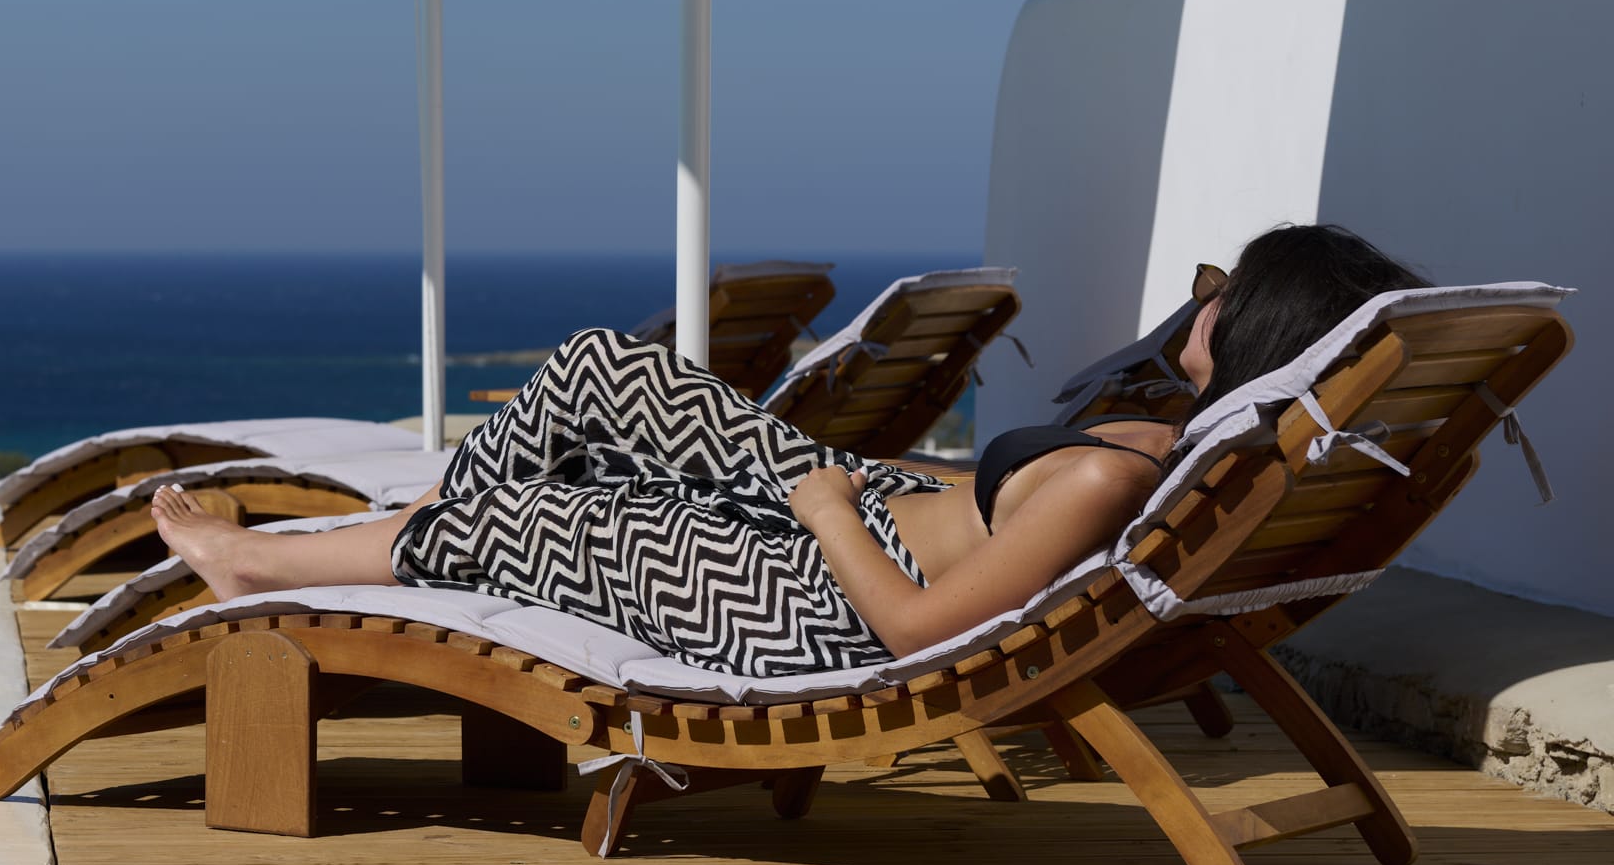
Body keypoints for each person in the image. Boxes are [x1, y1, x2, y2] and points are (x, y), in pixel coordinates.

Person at [152, 224, 1423, 675]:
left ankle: (264, 563)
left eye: (1221, 287)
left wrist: (824, 508)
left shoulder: (1113, 473)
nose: (1196, 301)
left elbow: (921, 637)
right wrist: (872, 483)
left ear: (1246, 325)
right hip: (859, 515)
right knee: (610, 366)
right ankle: (421, 516)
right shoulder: (1164, 444)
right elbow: (982, 514)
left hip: (822, 601)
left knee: (557, 520)